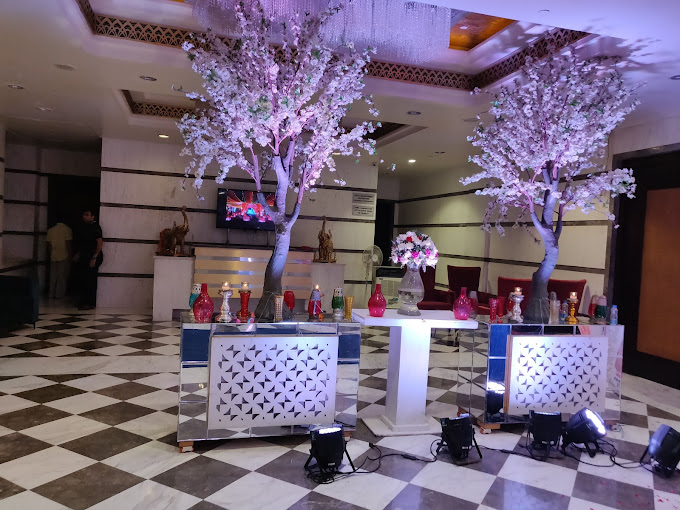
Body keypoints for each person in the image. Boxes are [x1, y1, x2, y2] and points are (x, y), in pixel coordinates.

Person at [73, 208, 103, 310]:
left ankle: (89, 302)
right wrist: (79, 254)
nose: (84, 217)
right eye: (84, 215)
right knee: (84, 278)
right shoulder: (85, 227)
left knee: (90, 279)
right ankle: (83, 301)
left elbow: (99, 243)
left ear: (92, 216)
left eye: (87, 215)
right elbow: (84, 244)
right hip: (85, 257)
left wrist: (94, 257)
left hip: (92, 257)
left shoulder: (95, 227)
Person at [46, 218, 73, 299]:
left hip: (53, 256)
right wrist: (70, 256)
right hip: (64, 256)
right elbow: (68, 244)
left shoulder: (50, 230)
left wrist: (51, 254)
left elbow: (48, 244)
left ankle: (51, 294)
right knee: (62, 276)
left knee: (53, 276)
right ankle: (59, 295)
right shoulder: (67, 229)